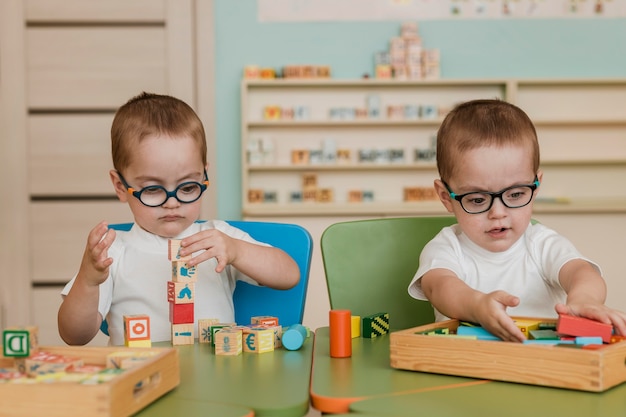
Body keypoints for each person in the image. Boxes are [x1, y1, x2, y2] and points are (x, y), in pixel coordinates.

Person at [58, 92, 300, 346]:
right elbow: (74, 335)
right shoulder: (113, 252)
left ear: (204, 175)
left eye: (187, 188)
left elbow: (289, 275)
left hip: (215, 380)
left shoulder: (217, 238)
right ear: (120, 186)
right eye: (152, 189)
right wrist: (88, 280)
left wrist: (237, 250)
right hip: (140, 379)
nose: (171, 202)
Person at [408, 99, 626, 342]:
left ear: (536, 186)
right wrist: (477, 305)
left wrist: (585, 299)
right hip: (468, 368)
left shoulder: (541, 243)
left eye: (515, 194)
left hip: (542, 370)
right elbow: (440, 288)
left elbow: (580, 272)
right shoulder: (446, 248)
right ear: (445, 197)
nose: (498, 213)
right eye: (478, 200)